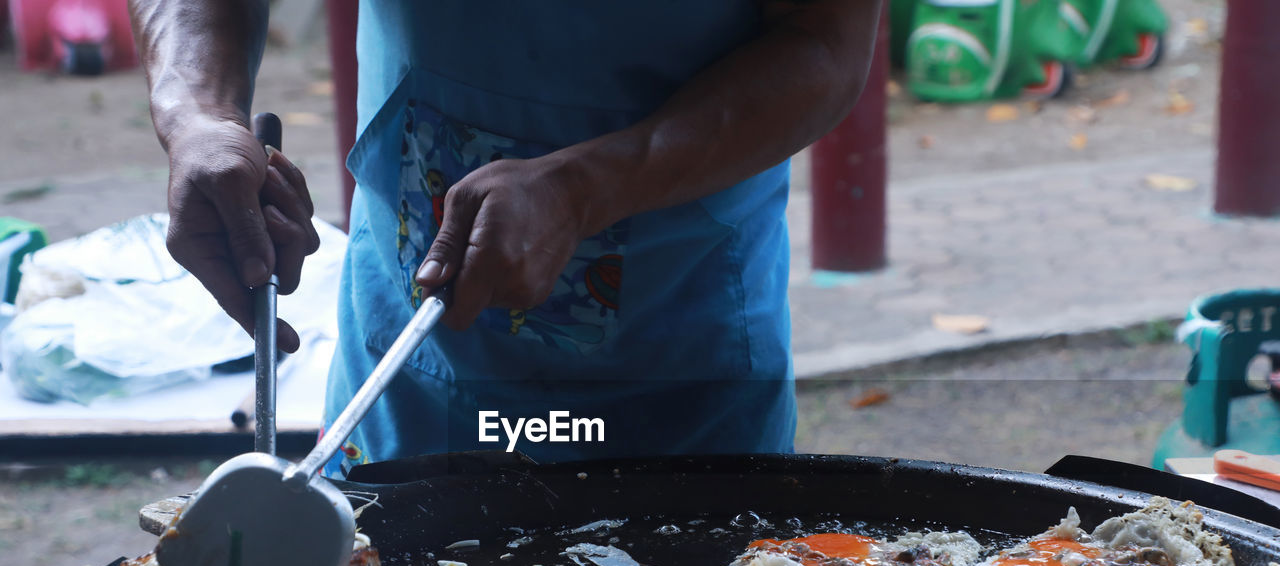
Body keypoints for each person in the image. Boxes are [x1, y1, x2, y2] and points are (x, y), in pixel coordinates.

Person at [130, 0, 882, 475]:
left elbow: (825, 41)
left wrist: (590, 185)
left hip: (676, 357)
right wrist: (198, 114)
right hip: (406, 358)